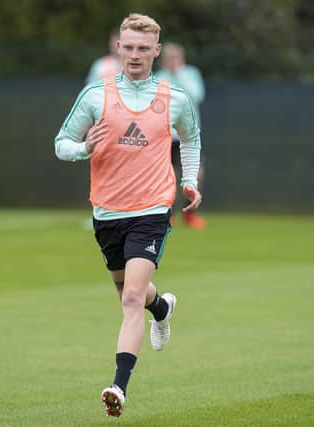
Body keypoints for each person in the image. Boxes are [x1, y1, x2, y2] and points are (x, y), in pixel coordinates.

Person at [54, 13, 202, 418]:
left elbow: (191, 139)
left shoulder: (175, 99)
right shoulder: (95, 97)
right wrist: (84, 149)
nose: (135, 55)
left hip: (153, 209)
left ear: (156, 51)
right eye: (128, 47)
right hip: (107, 213)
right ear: (118, 48)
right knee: (129, 293)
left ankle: (118, 387)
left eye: (143, 48)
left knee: (132, 297)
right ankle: (163, 309)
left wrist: (188, 180)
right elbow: (61, 144)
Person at [155, 42, 207, 229]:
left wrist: (179, 73)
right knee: (166, 177)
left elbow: (197, 95)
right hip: (166, 136)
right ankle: (165, 214)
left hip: (189, 137)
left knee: (196, 175)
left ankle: (190, 214)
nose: (172, 62)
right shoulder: (159, 78)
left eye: (176, 58)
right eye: (169, 58)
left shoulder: (190, 74)